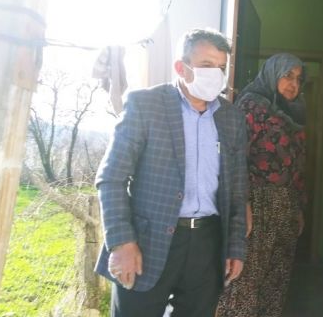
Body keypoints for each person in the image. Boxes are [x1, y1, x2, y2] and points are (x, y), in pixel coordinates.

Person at [94, 29, 248, 317]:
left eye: (221, 67)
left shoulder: (231, 118)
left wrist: (235, 247)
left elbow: (238, 192)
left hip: (207, 243)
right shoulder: (146, 105)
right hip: (147, 242)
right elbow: (111, 178)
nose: (216, 74)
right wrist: (122, 242)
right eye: (206, 65)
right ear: (181, 67)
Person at [217, 53, 307, 317]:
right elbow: (235, 159)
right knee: (246, 277)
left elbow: (297, 163)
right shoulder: (250, 107)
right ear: (272, 75)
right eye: (287, 76)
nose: (293, 84)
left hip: (286, 205)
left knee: (276, 279)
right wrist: (241, 203)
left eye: (299, 79)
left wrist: (299, 207)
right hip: (256, 205)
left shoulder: (295, 111)